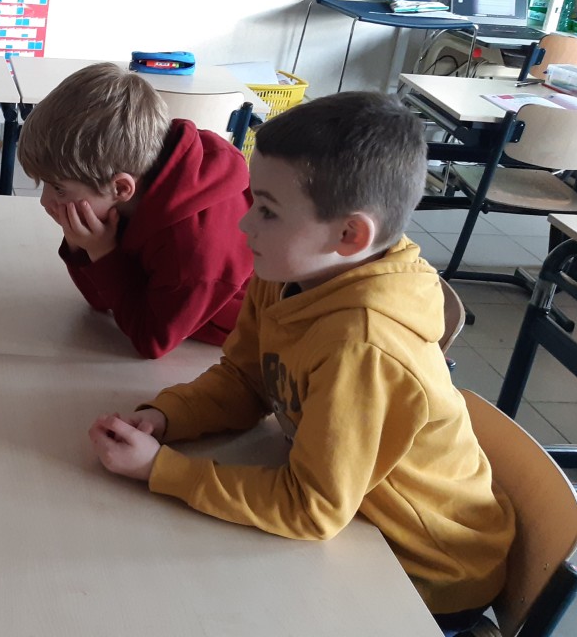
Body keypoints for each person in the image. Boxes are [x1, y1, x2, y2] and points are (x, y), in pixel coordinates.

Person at [87, 92, 515, 633]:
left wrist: (161, 470)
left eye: (267, 210)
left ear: (349, 236)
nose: (244, 225)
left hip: (426, 572)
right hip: (355, 519)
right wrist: (167, 417)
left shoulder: (361, 347)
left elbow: (310, 508)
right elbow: (246, 381)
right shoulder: (291, 273)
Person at [16, 62, 253, 359]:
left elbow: (151, 340)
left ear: (120, 188)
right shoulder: (136, 176)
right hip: (171, 315)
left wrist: (101, 253)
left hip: (231, 346)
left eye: (59, 188)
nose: (45, 200)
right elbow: (102, 301)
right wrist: (86, 247)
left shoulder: (192, 252)